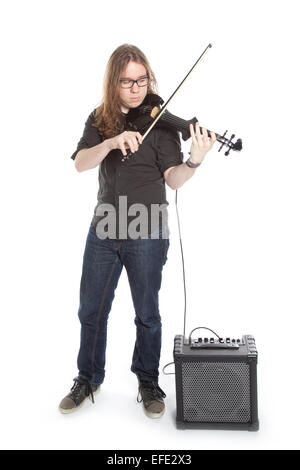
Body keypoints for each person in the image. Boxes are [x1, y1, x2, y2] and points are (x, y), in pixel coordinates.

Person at [59, 44, 216, 418]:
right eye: (127, 81)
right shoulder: (101, 119)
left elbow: (174, 181)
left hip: (147, 229)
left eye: (141, 80)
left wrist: (195, 158)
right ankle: (88, 377)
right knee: (91, 310)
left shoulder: (161, 126)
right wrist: (112, 141)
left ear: (149, 79)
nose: (135, 88)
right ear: (114, 82)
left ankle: (147, 380)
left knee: (147, 312)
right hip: (105, 225)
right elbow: (81, 163)